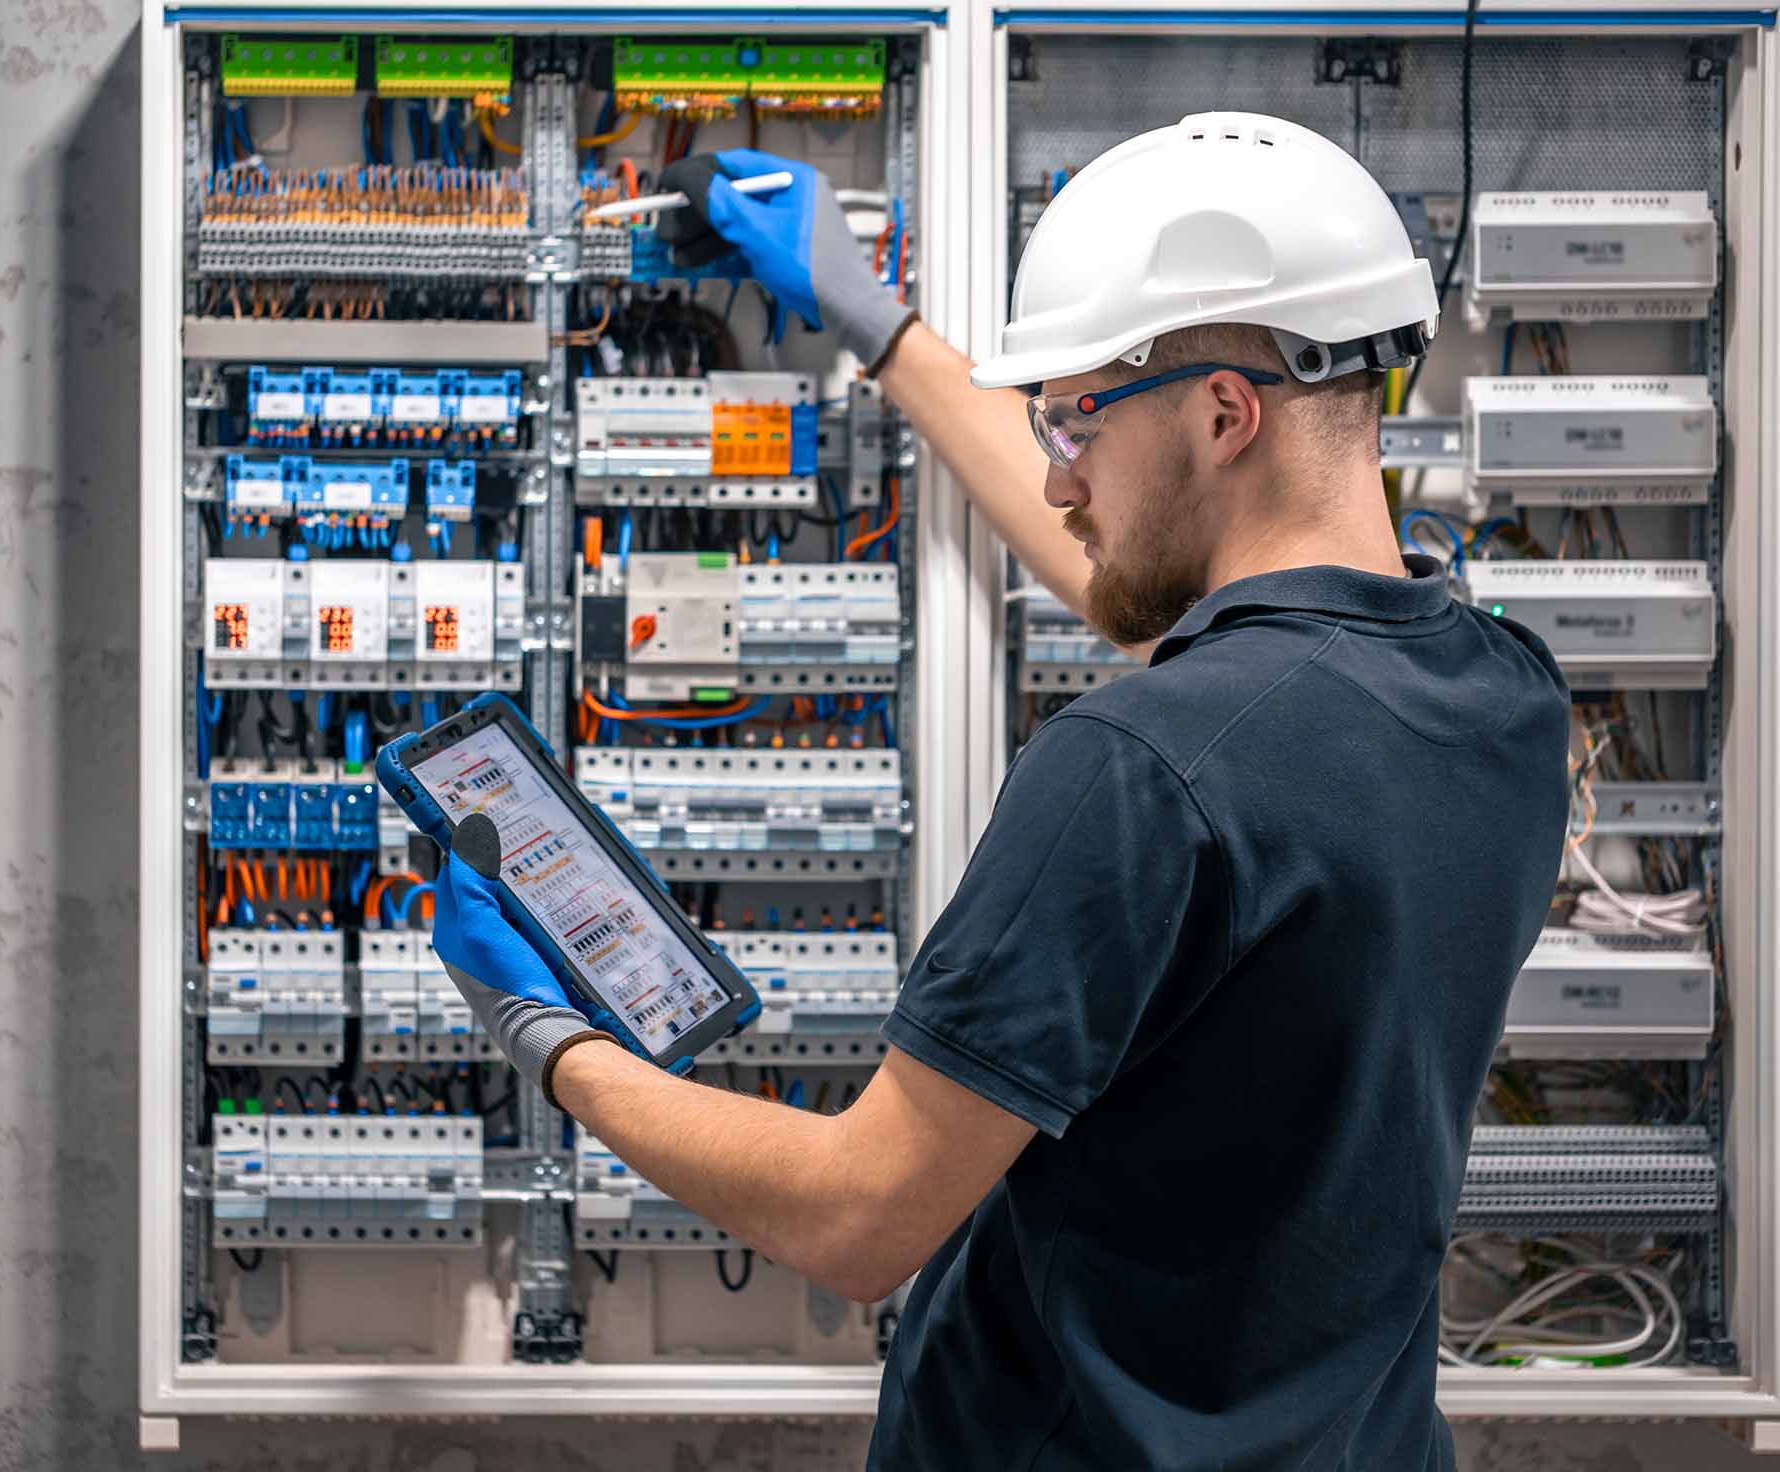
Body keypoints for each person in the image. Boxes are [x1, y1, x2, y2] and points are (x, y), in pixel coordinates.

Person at [434, 113, 1570, 1471]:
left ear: (1224, 414)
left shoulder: (1137, 766)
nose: (1054, 469)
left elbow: (860, 1220)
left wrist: (557, 1043)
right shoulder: (1502, 698)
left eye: (1077, 414)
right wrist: (873, 317)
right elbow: (1164, 608)